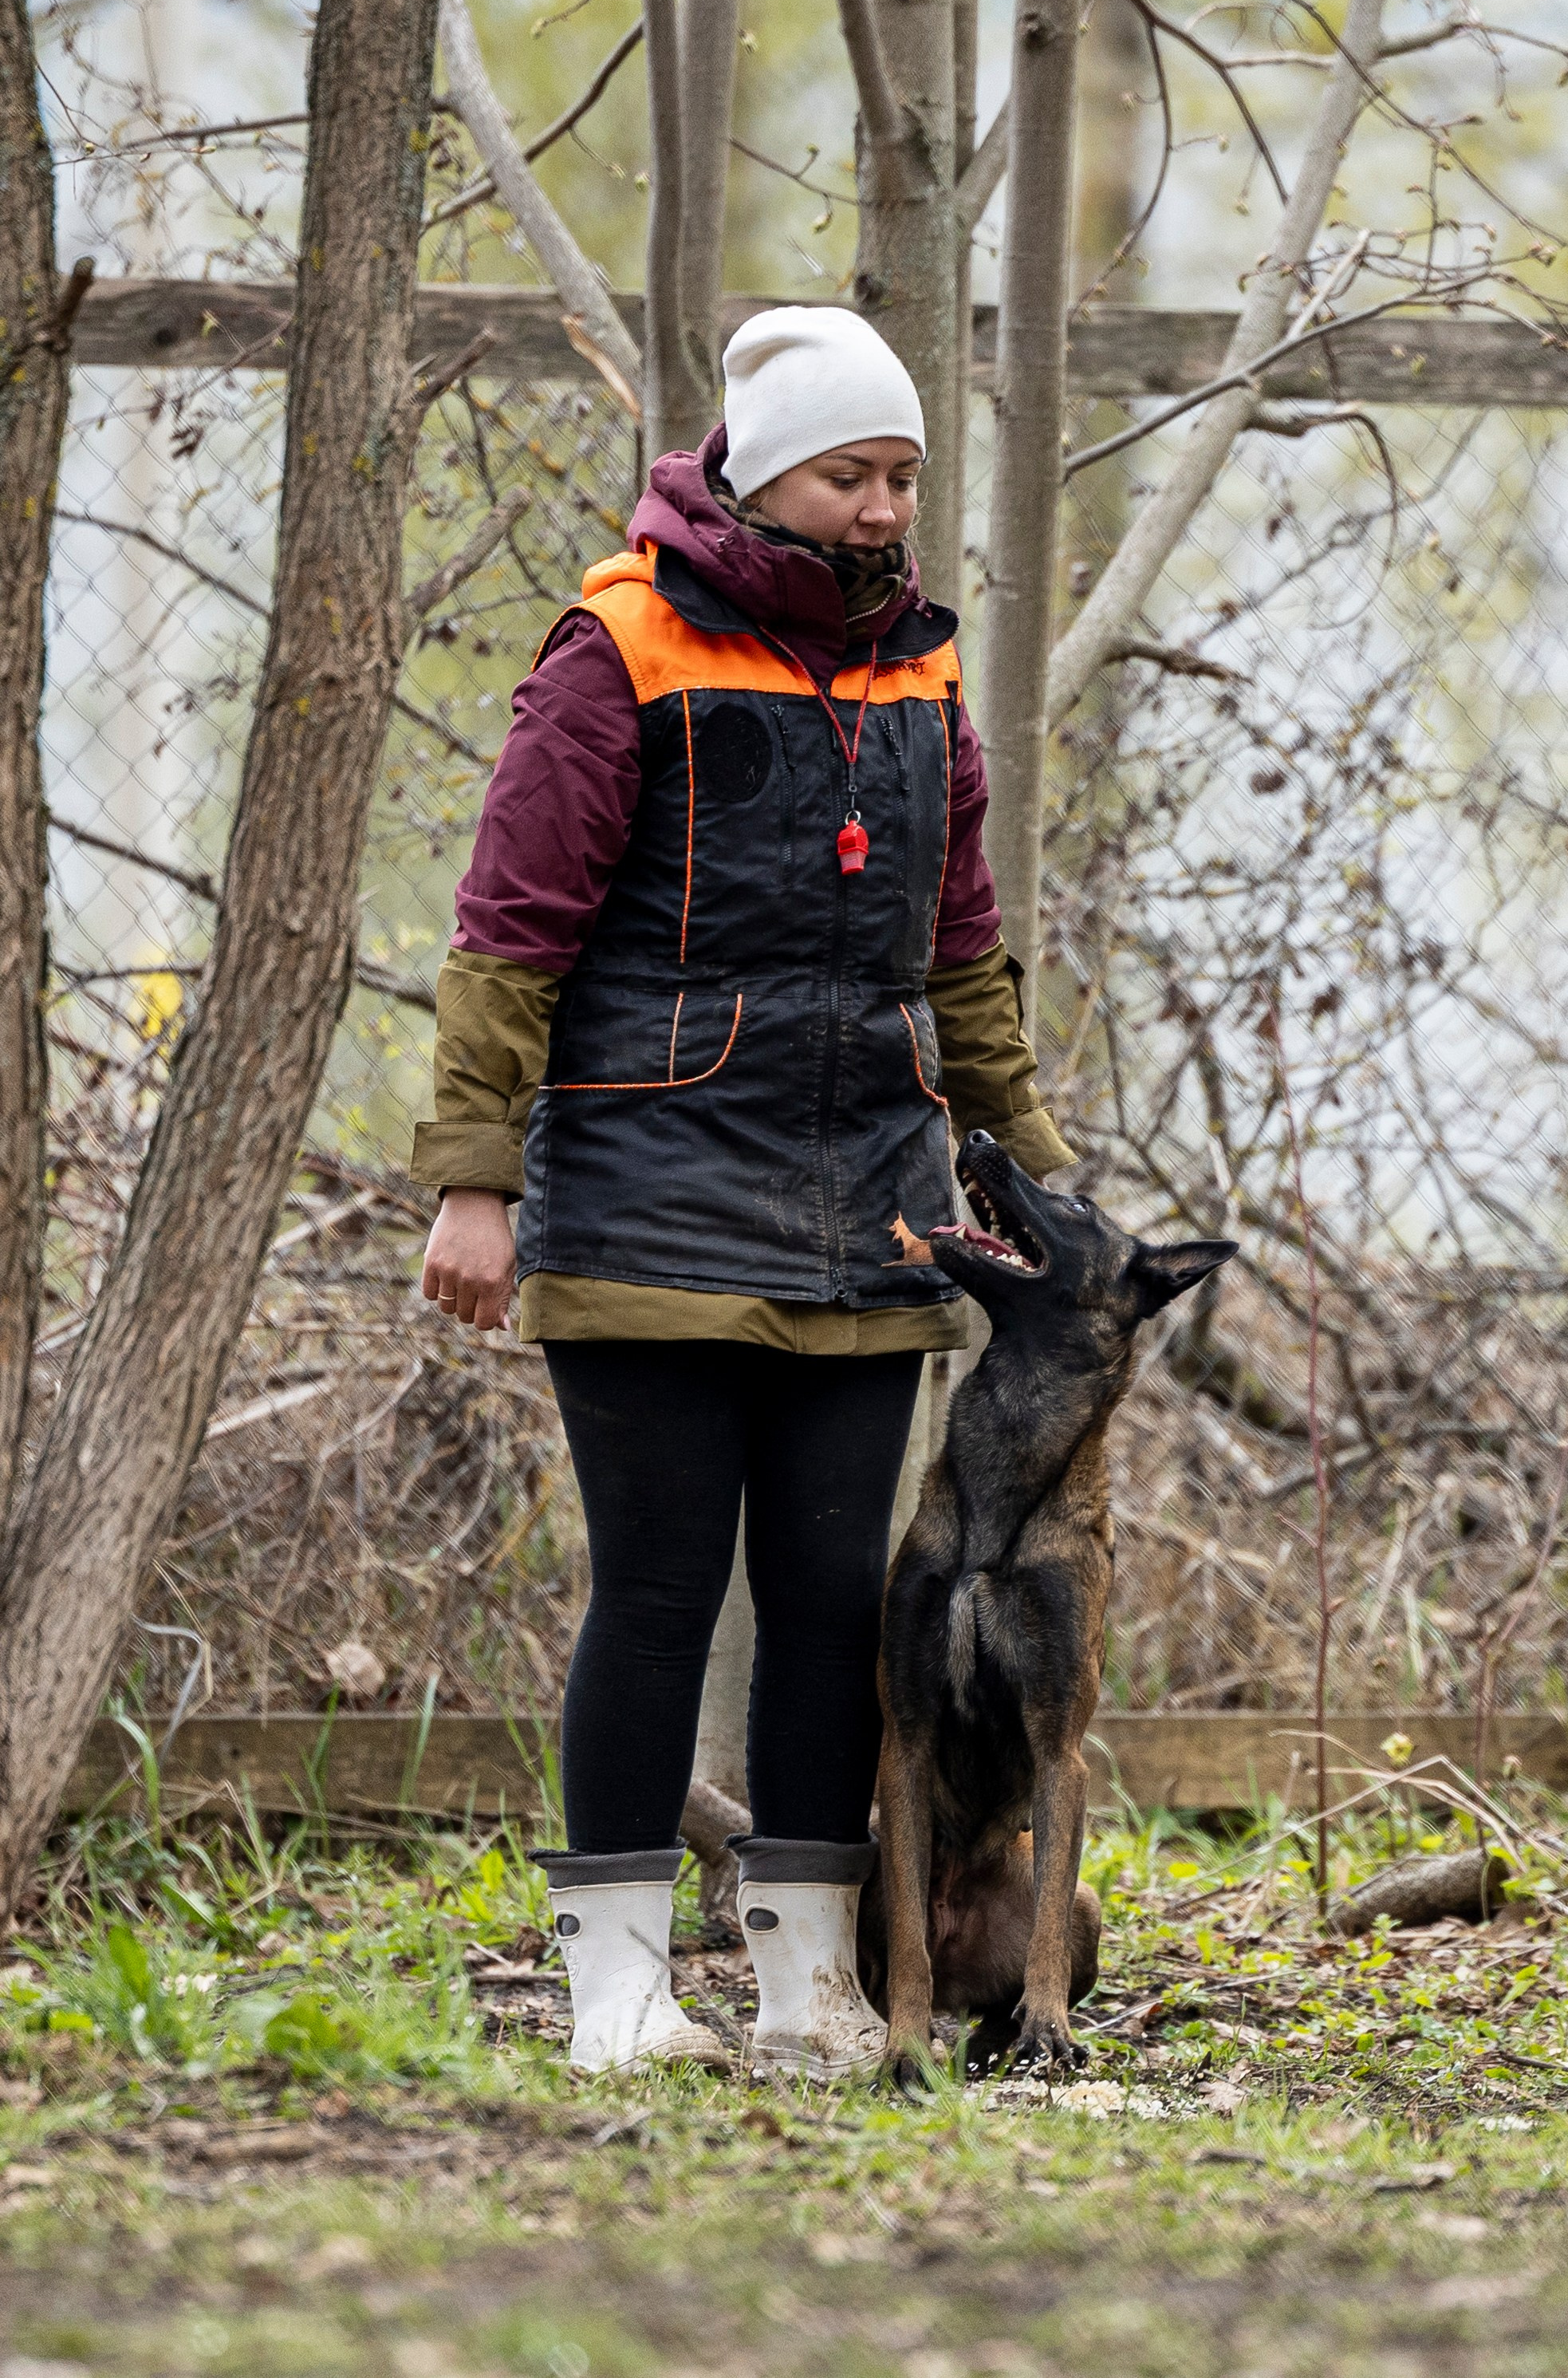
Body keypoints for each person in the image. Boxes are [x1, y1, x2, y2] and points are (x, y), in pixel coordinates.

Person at [412, 304, 1072, 2076]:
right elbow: (508, 939)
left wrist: (1026, 1178)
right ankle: (617, 1987)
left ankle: (804, 1983)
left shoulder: (924, 675)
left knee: (831, 1599)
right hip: (643, 1205)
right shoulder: (616, 646)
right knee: (651, 1590)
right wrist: (475, 1181)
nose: (883, 509)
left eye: (904, 478)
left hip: (871, 1205)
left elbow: (964, 957)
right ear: (764, 472)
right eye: (852, 474)